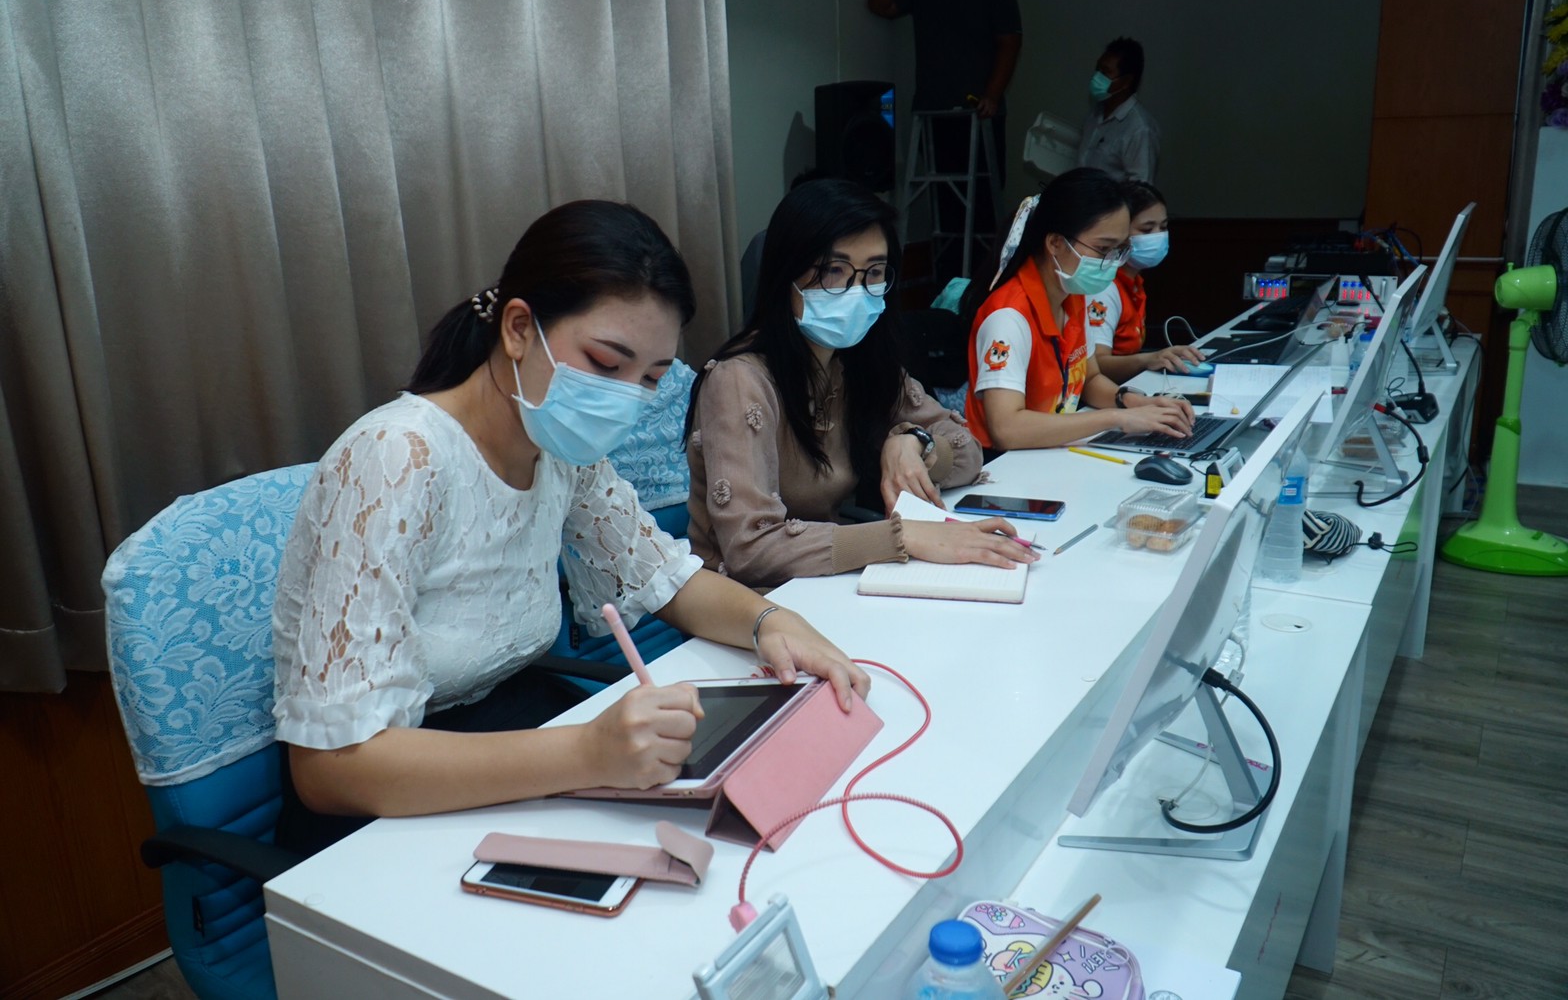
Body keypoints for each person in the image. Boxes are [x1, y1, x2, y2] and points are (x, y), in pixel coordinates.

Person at [271, 200, 868, 854]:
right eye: (607, 365)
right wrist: (586, 752)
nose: (626, 398)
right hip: (381, 807)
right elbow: (329, 770)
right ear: (518, 329)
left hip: (506, 743)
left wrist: (771, 624)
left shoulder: (557, 448)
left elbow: (663, 577)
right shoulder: (396, 459)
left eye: (651, 378)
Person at [686, 179, 1036, 590]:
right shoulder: (740, 380)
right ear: (786, 274)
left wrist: (913, 443)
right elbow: (751, 550)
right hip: (747, 603)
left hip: (827, 584)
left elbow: (967, 451)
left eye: (873, 272)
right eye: (833, 271)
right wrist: (902, 538)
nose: (856, 290)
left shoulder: (857, 360)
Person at [964, 168, 1194, 451]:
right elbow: (1007, 430)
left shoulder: (1072, 296)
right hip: (1003, 462)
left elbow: (1090, 378)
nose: (1113, 261)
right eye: (1103, 248)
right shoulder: (1008, 317)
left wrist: (1136, 402)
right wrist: (1118, 418)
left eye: (1120, 249)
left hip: (1048, 452)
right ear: (1055, 243)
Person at [869, 0, 1022, 277]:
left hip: (979, 114)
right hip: (933, 110)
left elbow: (1009, 42)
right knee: (946, 206)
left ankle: (984, 287)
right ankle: (948, 287)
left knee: (982, 207)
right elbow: (882, 5)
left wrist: (992, 95)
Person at [1086, 180, 1204, 383]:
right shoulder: (1104, 288)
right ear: (1119, 232)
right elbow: (1097, 366)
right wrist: (1149, 359)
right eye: (1147, 230)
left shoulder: (1134, 281)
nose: (1158, 236)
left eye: (1163, 227)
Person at [1077, 37, 1160, 184]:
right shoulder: (1096, 112)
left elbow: (1141, 189)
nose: (1097, 76)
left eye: (1105, 72)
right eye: (1097, 69)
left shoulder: (1140, 129)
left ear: (1126, 81)